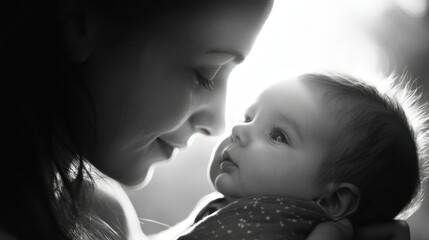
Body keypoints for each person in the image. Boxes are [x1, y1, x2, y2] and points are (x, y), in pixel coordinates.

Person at [0, 0, 412, 239]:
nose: (221, 125)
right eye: (206, 73)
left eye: (279, 134)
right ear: (83, 20)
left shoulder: (107, 215)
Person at [170, 72, 428, 240]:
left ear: (332, 200)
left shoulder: (320, 234)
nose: (239, 130)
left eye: (278, 135)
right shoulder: (216, 206)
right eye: (247, 118)